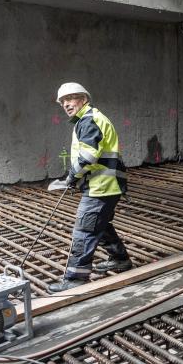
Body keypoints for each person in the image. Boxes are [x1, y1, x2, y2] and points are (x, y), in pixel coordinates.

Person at [46, 82, 129, 293]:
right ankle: (120, 260)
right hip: (106, 184)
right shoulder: (89, 119)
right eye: (63, 101)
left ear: (83, 99)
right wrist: (75, 178)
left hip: (102, 186)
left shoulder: (88, 120)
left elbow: (88, 156)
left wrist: (71, 178)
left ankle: (75, 279)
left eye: (71, 98)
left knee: (85, 229)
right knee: (99, 225)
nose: (66, 104)